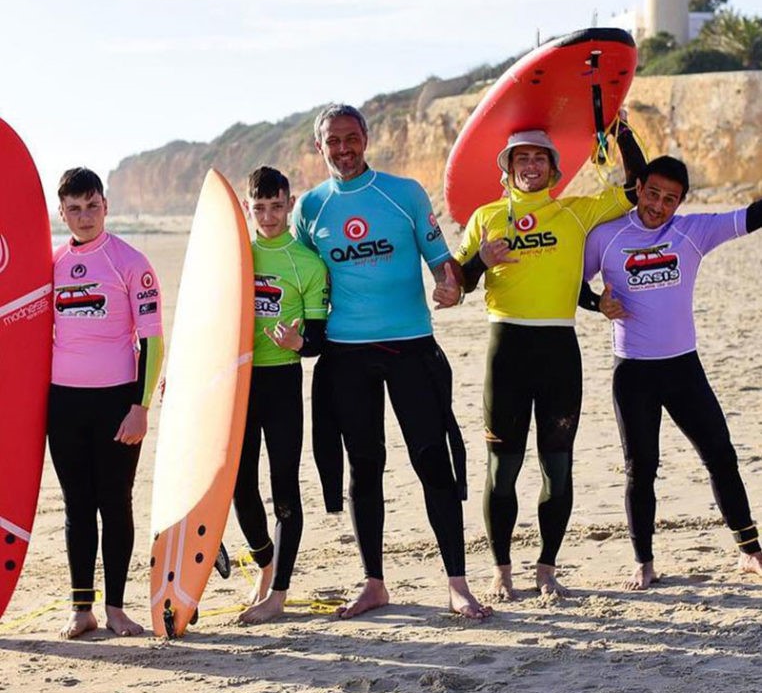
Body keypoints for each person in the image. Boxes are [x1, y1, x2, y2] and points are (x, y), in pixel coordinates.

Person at [292, 103, 490, 620]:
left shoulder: (404, 194)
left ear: (366, 138)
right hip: (345, 354)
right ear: (320, 147)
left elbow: (443, 266)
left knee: (432, 462)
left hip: (410, 348)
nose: (343, 148)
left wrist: (452, 289)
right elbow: (297, 279)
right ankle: (374, 582)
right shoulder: (310, 209)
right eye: (332, 140)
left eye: (351, 138)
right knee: (365, 466)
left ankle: (457, 583)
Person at [455, 118, 643, 598]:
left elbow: (637, 185)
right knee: (503, 467)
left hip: (559, 350)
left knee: (557, 466)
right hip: (507, 351)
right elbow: (456, 284)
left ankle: (546, 568)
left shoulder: (575, 213)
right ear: (508, 167)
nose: (532, 166)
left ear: (554, 169)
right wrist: (481, 260)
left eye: (540, 158)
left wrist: (618, 129)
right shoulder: (486, 218)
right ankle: (501, 570)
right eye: (523, 158)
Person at [582, 155, 762, 589]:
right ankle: (643, 561)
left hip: (684, 368)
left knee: (721, 455)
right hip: (634, 372)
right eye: (653, 194)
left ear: (680, 203)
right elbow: (570, 282)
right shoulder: (605, 237)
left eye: (670, 199)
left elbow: (754, 215)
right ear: (638, 187)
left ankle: (750, 551)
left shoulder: (692, 232)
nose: (658, 206)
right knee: (640, 468)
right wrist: (595, 303)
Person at [49, 167, 164, 638]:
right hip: (63, 402)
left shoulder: (130, 261)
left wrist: (141, 406)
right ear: (61, 212)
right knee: (77, 505)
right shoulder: (52, 264)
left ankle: (116, 607)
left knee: (114, 502)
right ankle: (82, 609)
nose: (84, 216)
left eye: (91, 206)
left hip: (118, 400)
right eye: (73, 209)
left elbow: (154, 341)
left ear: (105, 206)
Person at [233, 166, 329, 624]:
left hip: (283, 382)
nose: (268, 216)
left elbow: (318, 337)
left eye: (277, 205)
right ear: (247, 207)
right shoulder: (237, 257)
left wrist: (298, 344)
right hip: (239, 385)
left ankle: (279, 593)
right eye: (260, 206)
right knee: (239, 485)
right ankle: (265, 564)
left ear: (290, 205)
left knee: (284, 488)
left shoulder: (306, 263)